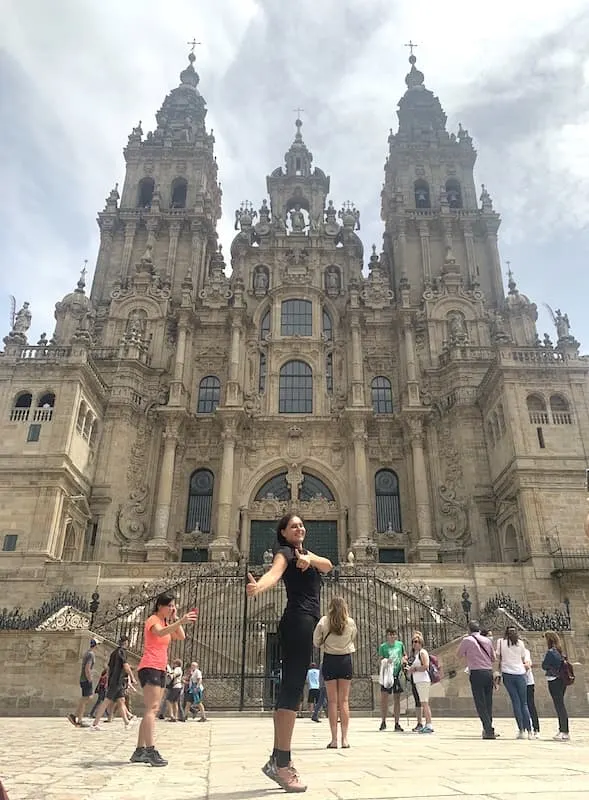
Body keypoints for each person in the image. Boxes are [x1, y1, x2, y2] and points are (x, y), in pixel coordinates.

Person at [247, 513, 332, 793]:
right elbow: (276, 571)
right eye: (293, 526)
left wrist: (309, 559)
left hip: (306, 623)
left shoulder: (305, 553)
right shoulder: (284, 552)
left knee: (292, 689)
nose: (300, 528)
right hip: (297, 622)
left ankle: (279, 758)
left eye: (301, 524)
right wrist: (260, 585)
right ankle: (281, 763)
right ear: (283, 533)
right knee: (292, 690)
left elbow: (328, 565)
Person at [129, 592, 198, 767]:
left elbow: (180, 636)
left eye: (174, 606)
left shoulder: (166, 622)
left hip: (160, 668)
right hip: (149, 666)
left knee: (151, 709)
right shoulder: (153, 620)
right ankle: (150, 750)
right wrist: (179, 621)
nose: (172, 608)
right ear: (160, 606)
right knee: (152, 708)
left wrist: (175, 618)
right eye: (170, 605)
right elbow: (159, 634)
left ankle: (139, 750)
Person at [313, 596, 357, 749]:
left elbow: (316, 641)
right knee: (344, 701)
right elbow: (353, 637)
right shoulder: (350, 622)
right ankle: (345, 739)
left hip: (330, 660)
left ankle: (334, 740)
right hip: (345, 660)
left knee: (332, 701)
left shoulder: (324, 621)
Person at [457, 620, 497, 739]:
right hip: (488, 672)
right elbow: (493, 658)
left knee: (480, 702)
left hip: (476, 672)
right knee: (488, 702)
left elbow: (458, 654)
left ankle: (488, 729)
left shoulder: (467, 640)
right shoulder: (488, 640)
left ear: (469, 630)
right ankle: (488, 727)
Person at [90, 635, 136, 730]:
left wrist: (107, 680)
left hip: (114, 680)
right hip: (117, 681)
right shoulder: (122, 652)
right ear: (126, 642)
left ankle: (126, 722)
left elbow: (109, 668)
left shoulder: (114, 653)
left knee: (121, 701)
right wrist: (132, 677)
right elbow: (126, 666)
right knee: (106, 701)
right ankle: (95, 724)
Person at [496, 626, 532, 739]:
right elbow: (522, 657)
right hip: (520, 673)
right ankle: (530, 730)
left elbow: (498, 655)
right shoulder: (520, 643)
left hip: (507, 673)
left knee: (515, 702)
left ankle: (521, 730)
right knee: (524, 703)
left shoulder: (501, 642)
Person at [542, 631, 570, 741]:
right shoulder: (560, 651)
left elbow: (544, 666)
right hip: (561, 680)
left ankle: (564, 731)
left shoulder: (550, 652)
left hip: (554, 680)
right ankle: (562, 729)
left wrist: (545, 664)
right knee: (560, 705)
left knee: (559, 706)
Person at [377, 628, 406, 731]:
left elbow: (404, 655)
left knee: (397, 699)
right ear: (387, 636)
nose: (392, 637)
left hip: (397, 674)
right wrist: (385, 661)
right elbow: (379, 659)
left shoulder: (400, 645)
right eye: (390, 635)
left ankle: (397, 722)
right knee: (384, 699)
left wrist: (404, 661)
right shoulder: (383, 647)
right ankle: (383, 721)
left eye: (394, 635)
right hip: (387, 675)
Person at [68, 638, 98, 727]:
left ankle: (77, 717)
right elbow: (87, 668)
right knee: (86, 698)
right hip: (86, 679)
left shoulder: (87, 653)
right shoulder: (91, 654)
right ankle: (77, 718)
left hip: (83, 678)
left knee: (85, 698)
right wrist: (89, 679)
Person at [407, 631, 433, 734]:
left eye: (417, 641)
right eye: (413, 642)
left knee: (425, 703)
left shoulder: (422, 652)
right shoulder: (416, 654)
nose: (415, 643)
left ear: (421, 642)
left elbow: (426, 666)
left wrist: (414, 669)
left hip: (423, 680)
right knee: (423, 702)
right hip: (418, 680)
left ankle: (429, 724)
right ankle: (427, 724)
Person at [523, 644, 540, 738]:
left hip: (528, 682)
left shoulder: (525, 652)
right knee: (521, 705)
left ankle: (536, 728)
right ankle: (524, 728)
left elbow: (527, 665)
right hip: (520, 682)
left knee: (530, 705)